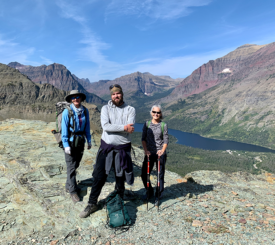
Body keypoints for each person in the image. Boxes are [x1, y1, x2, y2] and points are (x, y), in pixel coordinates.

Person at [79, 84, 136, 218]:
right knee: (99, 176)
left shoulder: (130, 109)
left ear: (122, 94)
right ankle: (92, 203)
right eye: (113, 94)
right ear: (111, 96)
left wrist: (120, 127)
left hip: (122, 149)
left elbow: (131, 126)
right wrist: (124, 127)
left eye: (118, 93)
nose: (116, 96)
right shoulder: (105, 108)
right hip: (107, 148)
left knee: (120, 177)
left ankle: (119, 200)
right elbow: (106, 126)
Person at [62, 90, 92, 203]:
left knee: (76, 164)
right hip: (70, 142)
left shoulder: (85, 111)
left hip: (80, 142)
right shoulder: (67, 112)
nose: (75, 99)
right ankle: (73, 191)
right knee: (71, 167)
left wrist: (88, 140)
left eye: (77, 97)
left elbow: (87, 126)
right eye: (73, 97)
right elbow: (64, 129)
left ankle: (68, 185)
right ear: (70, 99)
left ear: (81, 98)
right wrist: (66, 145)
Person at [141, 105, 169, 206]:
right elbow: (143, 138)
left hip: (159, 154)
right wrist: (146, 150)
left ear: (160, 114)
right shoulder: (147, 124)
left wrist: (162, 150)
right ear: (151, 112)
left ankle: (158, 196)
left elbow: (166, 140)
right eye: (154, 112)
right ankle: (149, 191)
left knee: (159, 175)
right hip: (149, 153)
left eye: (158, 112)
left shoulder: (163, 125)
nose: (156, 114)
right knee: (144, 174)